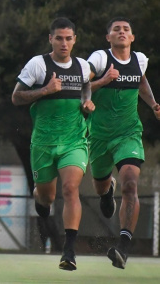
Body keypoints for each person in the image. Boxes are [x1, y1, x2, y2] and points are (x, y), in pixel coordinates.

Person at [12, 17, 94, 271]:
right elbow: (16, 97)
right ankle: (40, 198)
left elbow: (87, 86)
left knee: (70, 189)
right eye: (59, 38)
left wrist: (87, 104)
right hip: (44, 142)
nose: (64, 43)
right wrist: (45, 90)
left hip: (74, 139)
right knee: (47, 196)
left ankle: (69, 251)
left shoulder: (82, 66)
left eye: (69, 38)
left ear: (74, 40)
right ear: (51, 39)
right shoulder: (38, 65)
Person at [87, 17, 160, 269]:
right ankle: (107, 191)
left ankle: (123, 247)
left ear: (132, 37)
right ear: (108, 37)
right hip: (98, 136)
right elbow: (83, 84)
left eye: (126, 29)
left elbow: (140, 80)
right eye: (116, 29)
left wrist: (152, 104)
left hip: (128, 133)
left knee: (130, 184)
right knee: (99, 187)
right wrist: (103, 81)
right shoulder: (99, 59)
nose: (121, 32)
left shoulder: (139, 60)